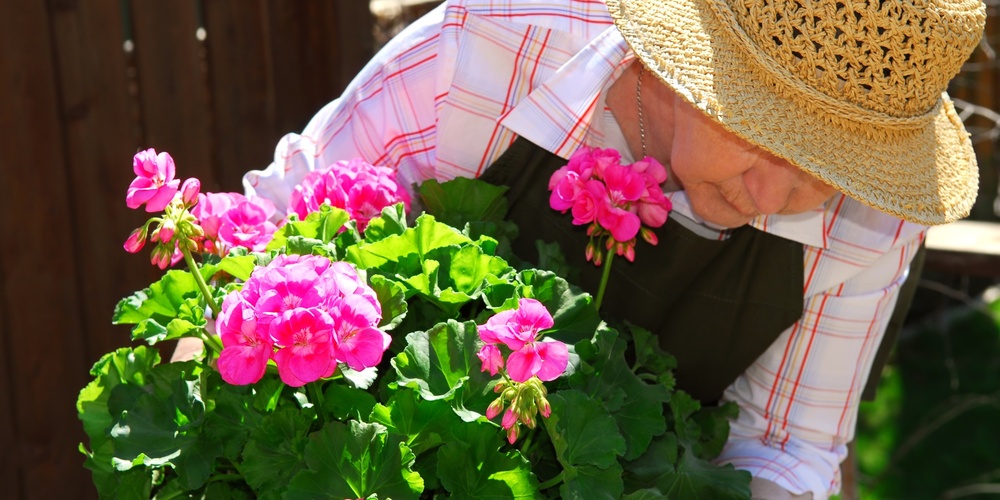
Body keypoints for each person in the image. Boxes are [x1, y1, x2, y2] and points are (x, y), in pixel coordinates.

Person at [240, 0, 987, 498]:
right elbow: (270, 253)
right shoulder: (480, 52)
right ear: (687, 60)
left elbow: (784, 448)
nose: (769, 197)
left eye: (825, 178)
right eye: (765, 141)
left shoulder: (878, 220)